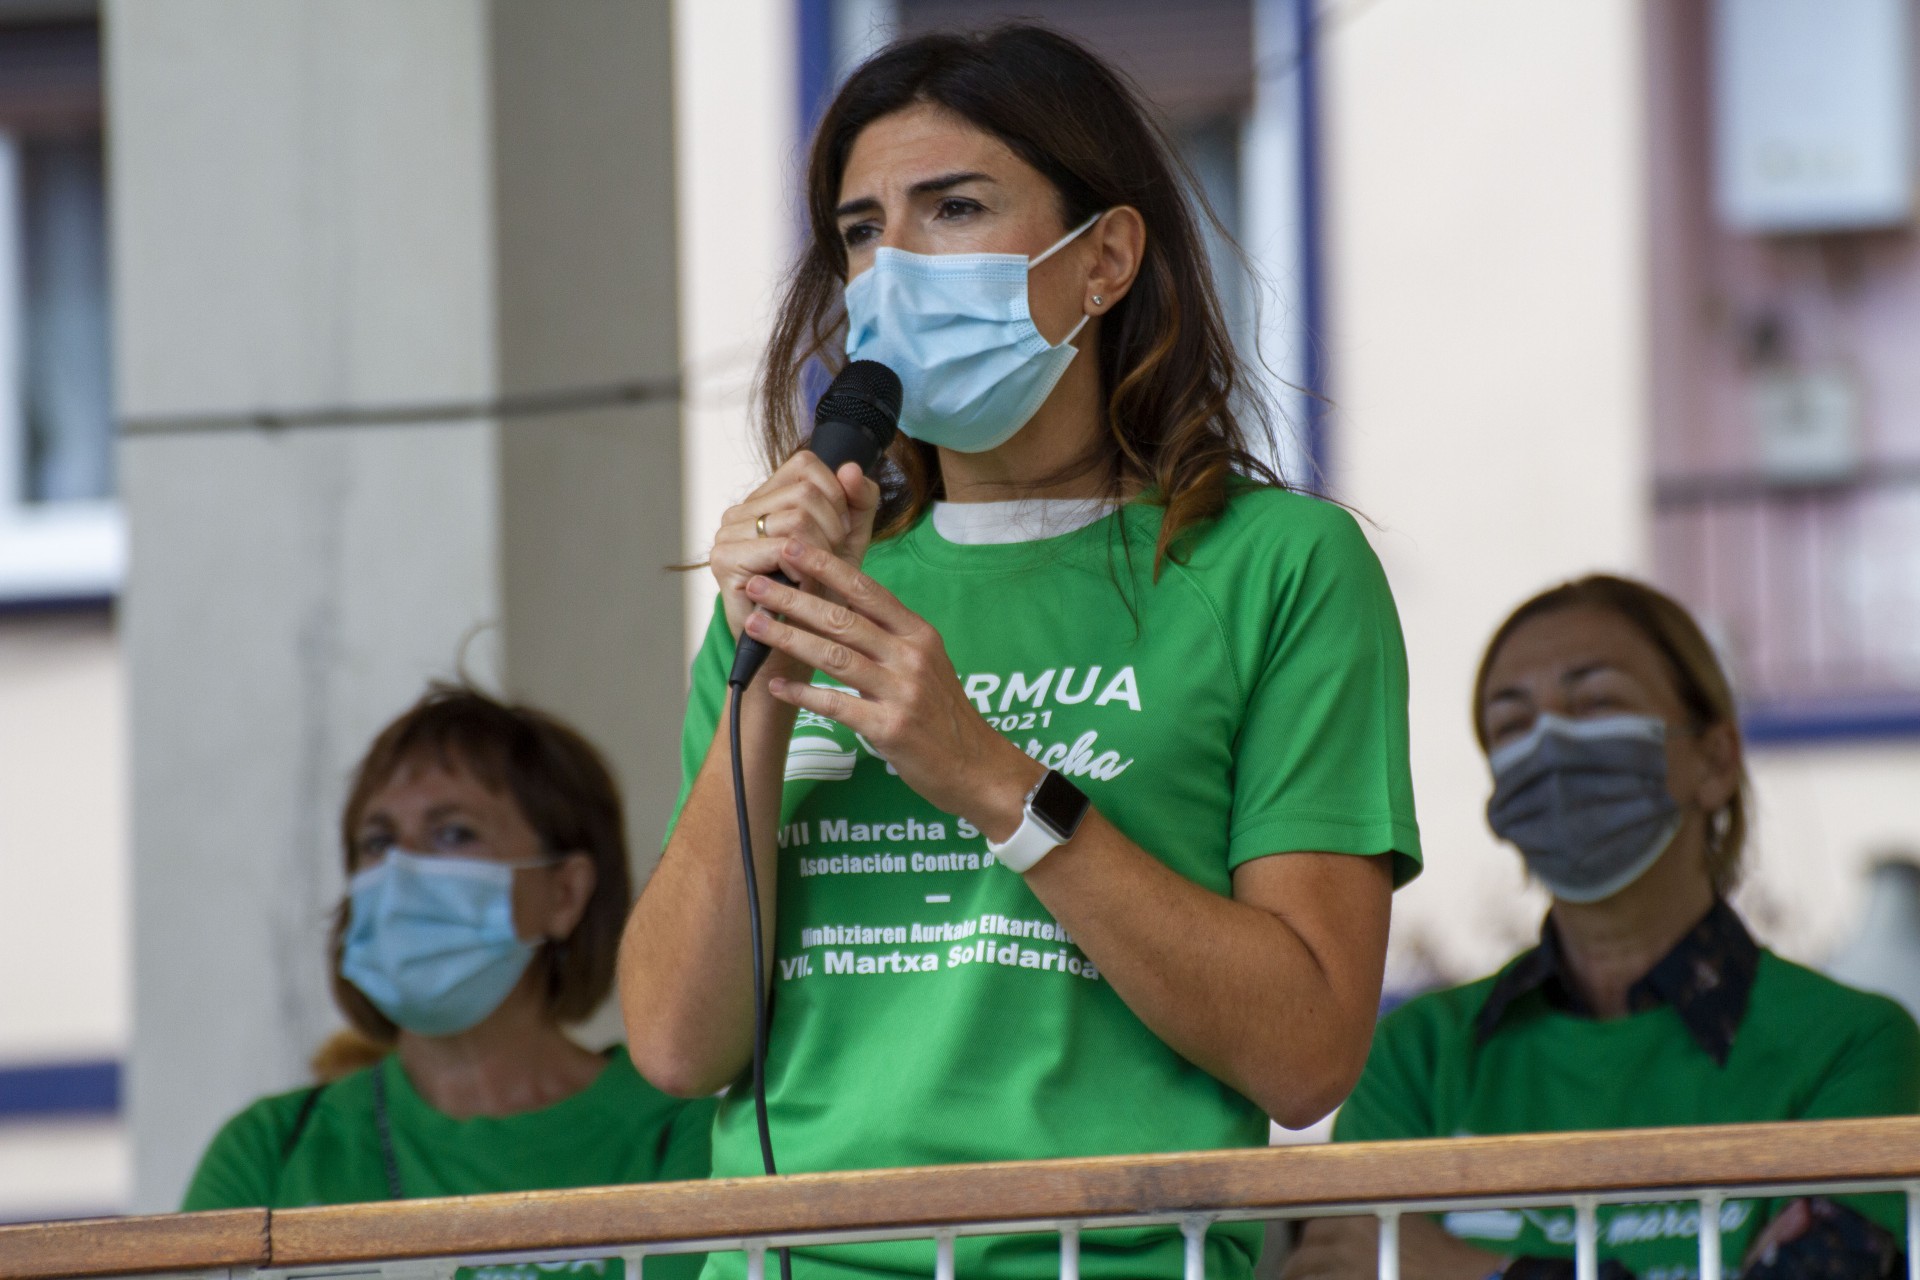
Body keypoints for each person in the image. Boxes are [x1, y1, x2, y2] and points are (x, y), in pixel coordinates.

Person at [619, 24, 1420, 1280]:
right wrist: (764, 681)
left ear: (1104, 257)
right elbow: (677, 1043)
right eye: (863, 230)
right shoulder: (800, 580)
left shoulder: (1276, 566)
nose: (895, 263)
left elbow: (1307, 1048)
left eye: (955, 207)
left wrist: (993, 778)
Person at [1285, 575, 1920, 1280]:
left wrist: (1476, 1271)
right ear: (1501, 797)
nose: (1550, 746)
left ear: (1715, 760)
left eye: (1596, 702)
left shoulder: (1853, 1046)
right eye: (1512, 725)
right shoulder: (1416, 1057)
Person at [185, 687, 715, 1280]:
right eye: (377, 842)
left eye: (453, 833)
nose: (401, 871)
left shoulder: (680, 1135)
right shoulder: (272, 1150)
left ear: (564, 893)